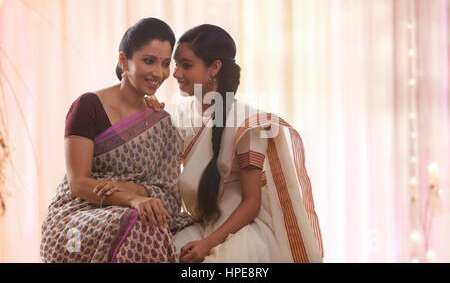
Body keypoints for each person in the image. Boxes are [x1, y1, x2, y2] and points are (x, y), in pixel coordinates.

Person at [147, 24, 324, 262]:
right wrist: (145, 112)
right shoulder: (180, 117)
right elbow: (157, 171)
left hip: (240, 235)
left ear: (214, 68)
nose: (176, 73)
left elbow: (252, 202)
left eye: (187, 65)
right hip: (199, 227)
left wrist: (207, 245)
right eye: (176, 64)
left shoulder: (245, 122)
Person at [40, 18, 192, 263]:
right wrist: (132, 198)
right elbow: (78, 183)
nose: (158, 73)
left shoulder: (162, 123)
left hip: (141, 211)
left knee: (150, 222)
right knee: (142, 224)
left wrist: (132, 192)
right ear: (124, 61)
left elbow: (171, 197)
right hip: (80, 212)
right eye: (148, 61)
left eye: (165, 64)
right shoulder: (88, 107)